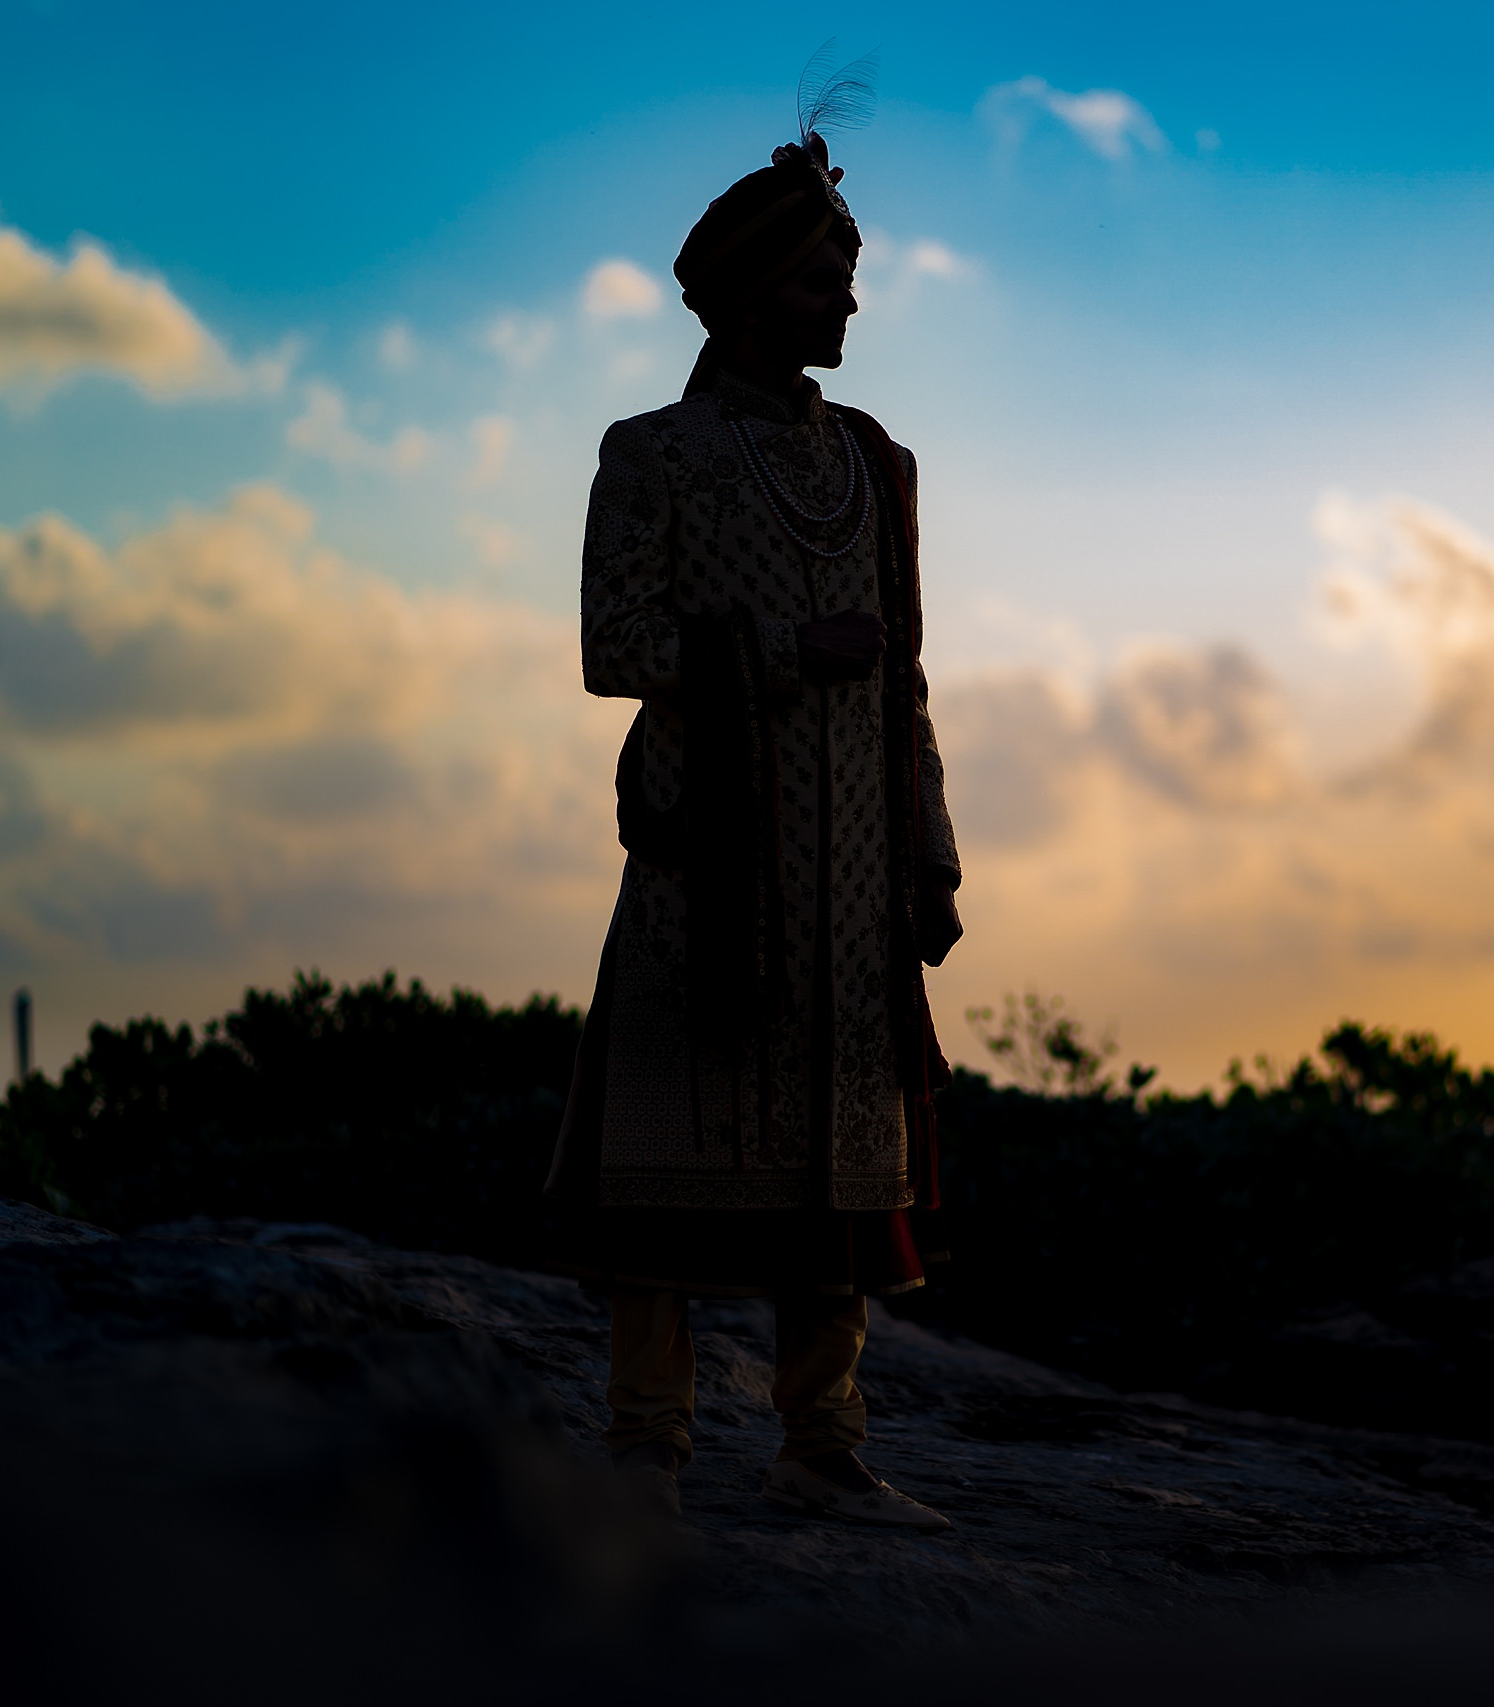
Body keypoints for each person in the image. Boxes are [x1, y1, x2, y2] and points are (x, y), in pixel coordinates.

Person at [545, 110, 963, 1533]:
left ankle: (823, 1446)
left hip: (853, 886)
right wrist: (791, 647)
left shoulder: (880, 464)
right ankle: (645, 1446)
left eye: (847, 277)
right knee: (671, 1152)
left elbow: (906, 679)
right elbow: (617, 646)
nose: (845, 300)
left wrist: (932, 850)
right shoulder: (650, 454)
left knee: (839, 1172)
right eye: (815, 280)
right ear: (737, 293)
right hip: (707, 865)